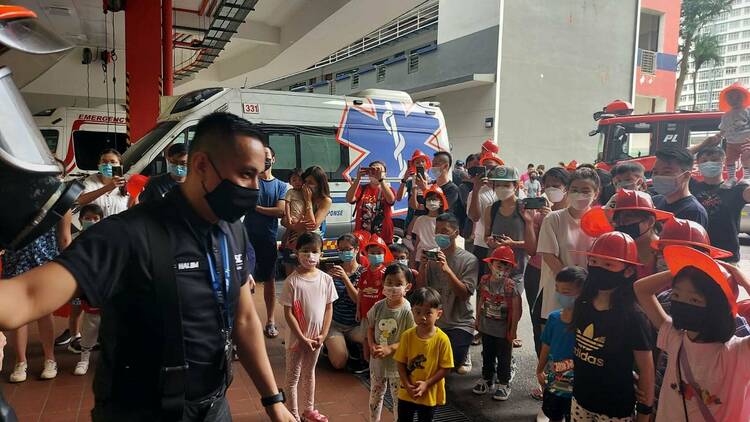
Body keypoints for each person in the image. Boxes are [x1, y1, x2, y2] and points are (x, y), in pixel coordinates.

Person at [0, 112, 295, 421]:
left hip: (213, 408)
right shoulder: (126, 235)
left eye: (258, 175)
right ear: (202, 165)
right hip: (141, 413)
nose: (254, 187)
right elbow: (27, 296)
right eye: (246, 174)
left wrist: (273, 399)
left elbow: (244, 318)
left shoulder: (231, 231)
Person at [634, 245, 750, 421]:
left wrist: (743, 281)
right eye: (677, 295)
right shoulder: (675, 338)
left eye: (694, 299)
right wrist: (685, 268)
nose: (681, 304)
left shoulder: (737, 352)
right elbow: (641, 289)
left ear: (716, 307)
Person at [570, 232, 654, 422]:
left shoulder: (634, 316)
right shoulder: (582, 303)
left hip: (614, 407)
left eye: (608, 264)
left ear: (628, 271)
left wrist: (644, 413)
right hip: (580, 399)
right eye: (594, 261)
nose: (599, 269)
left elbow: (646, 369)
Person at [534, 168, 599, 401]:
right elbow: (549, 256)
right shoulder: (554, 218)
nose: (579, 194)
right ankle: (550, 397)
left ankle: (578, 400)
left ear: (596, 193)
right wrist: (574, 286)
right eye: (574, 189)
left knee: (584, 346)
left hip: (590, 295)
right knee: (555, 346)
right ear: (567, 191)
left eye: (585, 190)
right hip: (560, 293)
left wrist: (587, 290)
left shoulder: (601, 222)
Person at [2, 209, 72, 382]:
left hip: (45, 259)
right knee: (19, 312)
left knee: (45, 311)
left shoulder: (60, 198)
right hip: (17, 258)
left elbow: (64, 237)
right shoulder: (16, 196)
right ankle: (20, 361)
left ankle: (50, 358)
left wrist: (70, 265)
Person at [280, 232, 337, 422]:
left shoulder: (326, 280)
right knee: (293, 377)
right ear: (297, 253)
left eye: (314, 251)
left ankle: (309, 410)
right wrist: (301, 338)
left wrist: (323, 334)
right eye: (305, 251)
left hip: (316, 339)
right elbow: (288, 313)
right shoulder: (292, 282)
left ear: (321, 253)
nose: (310, 255)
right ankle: (293, 414)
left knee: (309, 373)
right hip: (297, 340)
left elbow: (329, 309)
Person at [417, 213, 478, 374]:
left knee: (450, 364)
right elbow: (422, 291)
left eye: (445, 230)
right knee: (422, 361)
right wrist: (422, 267)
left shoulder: (469, 260)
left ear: (456, 233)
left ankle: (464, 352)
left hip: (460, 322)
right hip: (435, 321)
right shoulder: (432, 258)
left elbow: (464, 295)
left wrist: (448, 271)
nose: (440, 235)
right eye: (437, 230)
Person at [243, 145, 287, 339]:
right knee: (245, 281)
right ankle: (247, 322)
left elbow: (280, 211)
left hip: (268, 239)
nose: (264, 159)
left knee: (269, 280)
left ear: (274, 159)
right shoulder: (250, 182)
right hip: (246, 239)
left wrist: (256, 207)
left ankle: (270, 321)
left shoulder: (281, 186)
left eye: (267, 156)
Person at [582, 189, 673, 279]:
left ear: (650, 222)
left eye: (628, 218)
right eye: (617, 220)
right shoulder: (615, 252)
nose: (621, 224)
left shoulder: (668, 253)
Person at [394, 287, 454, 422]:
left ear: (439, 314)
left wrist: (427, 384)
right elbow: (400, 362)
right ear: (412, 312)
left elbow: (446, 368)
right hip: (406, 390)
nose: (423, 317)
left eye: (428, 313)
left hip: (429, 392)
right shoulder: (407, 336)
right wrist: (406, 384)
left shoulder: (442, 339)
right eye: (418, 312)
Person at [527, 167, 569, 356]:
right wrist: (531, 222)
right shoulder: (539, 215)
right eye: (548, 186)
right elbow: (532, 249)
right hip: (536, 272)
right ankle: (542, 369)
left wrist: (552, 217)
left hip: (564, 276)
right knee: (540, 321)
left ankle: (563, 374)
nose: (551, 189)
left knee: (564, 321)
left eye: (556, 186)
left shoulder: (572, 215)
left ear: (566, 188)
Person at [366, 263, 415, 422]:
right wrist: (372, 345)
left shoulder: (408, 310)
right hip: (378, 363)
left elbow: (410, 338)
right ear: (383, 283)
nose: (393, 287)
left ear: (407, 287)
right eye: (389, 283)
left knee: (398, 399)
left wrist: (390, 348)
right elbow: (371, 328)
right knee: (375, 395)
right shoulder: (378, 307)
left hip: (398, 366)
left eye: (398, 284)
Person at [471, 246, 522, 401]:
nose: (502, 270)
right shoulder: (484, 280)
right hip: (487, 327)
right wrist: (478, 320)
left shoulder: (510, 286)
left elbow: (516, 309)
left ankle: (504, 382)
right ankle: (487, 378)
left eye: (506, 267)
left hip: (503, 330)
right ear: (490, 265)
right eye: (499, 266)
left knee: (504, 356)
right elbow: (480, 299)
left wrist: (513, 330)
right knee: (487, 353)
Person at [536, 266, 586, 422]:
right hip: (554, 384)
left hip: (578, 390)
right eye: (557, 290)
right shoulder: (553, 319)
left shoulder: (587, 324)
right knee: (553, 416)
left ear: (582, 293)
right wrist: (539, 370)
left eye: (566, 292)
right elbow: (546, 345)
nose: (559, 295)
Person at [692, 145, 750, 263]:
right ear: (697, 164)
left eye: (714, 160)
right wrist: (707, 142)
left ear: (723, 162)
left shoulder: (736, 189)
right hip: (696, 254)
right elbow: (680, 157)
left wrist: (747, 166)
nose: (709, 163)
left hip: (727, 256)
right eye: (704, 161)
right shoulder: (692, 187)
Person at [71, 205, 107, 376]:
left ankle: (109, 360)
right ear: (80, 220)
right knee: (91, 324)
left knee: (110, 326)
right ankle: (84, 358)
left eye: (95, 218)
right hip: (87, 289)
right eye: (88, 218)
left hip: (107, 289)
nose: (91, 221)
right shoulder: (77, 240)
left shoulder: (109, 239)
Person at [324, 234, 367, 373]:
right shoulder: (333, 271)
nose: (344, 253)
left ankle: (350, 345)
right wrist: (326, 280)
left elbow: (357, 300)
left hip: (355, 325)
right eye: (341, 250)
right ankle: (332, 346)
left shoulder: (364, 273)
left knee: (373, 343)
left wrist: (345, 279)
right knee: (339, 362)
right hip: (335, 324)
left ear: (356, 249)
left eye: (348, 249)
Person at [651, 146, 708, 226]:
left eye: (667, 172)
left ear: (686, 176)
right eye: (655, 172)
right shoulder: (655, 201)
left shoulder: (694, 211)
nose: (659, 177)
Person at [358, 235, 393, 361]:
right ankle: (366, 362)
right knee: (366, 338)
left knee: (378, 338)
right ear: (366, 254)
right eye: (372, 253)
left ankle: (376, 362)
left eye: (379, 253)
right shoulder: (363, 273)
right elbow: (360, 293)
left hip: (380, 315)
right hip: (365, 314)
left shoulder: (386, 274)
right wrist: (358, 310)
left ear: (384, 254)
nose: (375, 255)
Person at [347, 161, 396, 243]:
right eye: (372, 170)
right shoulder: (362, 188)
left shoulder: (388, 189)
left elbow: (391, 200)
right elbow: (349, 199)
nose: (375, 173)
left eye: (379, 170)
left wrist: (381, 180)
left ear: (385, 173)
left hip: (383, 236)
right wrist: (358, 179)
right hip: (362, 236)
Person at [466, 158, 499, 278]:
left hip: (503, 244)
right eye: (485, 168)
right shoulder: (475, 192)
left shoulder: (506, 190)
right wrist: (476, 189)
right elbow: (474, 217)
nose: (488, 171)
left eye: (492, 168)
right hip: (482, 245)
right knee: (482, 284)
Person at [77, 148, 130, 216]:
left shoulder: (126, 184)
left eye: (113, 162)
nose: (108, 165)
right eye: (104, 162)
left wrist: (135, 194)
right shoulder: (90, 181)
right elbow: (81, 201)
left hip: (119, 225)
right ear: (99, 166)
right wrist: (107, 187)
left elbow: (133, 209)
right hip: (97, 226)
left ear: (120, 166)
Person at [718, 83, 750, 187]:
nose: (734, 99)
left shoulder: (748, 111)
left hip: (746, 141)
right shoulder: (726, 115)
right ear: (726, 100)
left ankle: (747, 177)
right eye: (730, 97)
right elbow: (723, 129)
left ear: (744, 98)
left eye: (737, 97)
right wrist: (719, 136)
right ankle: (731, 177)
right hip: (731, 142)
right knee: (729, 159)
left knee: (746, 158)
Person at [397, 150, 433, 234]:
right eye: (417, 162)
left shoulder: (432, 182)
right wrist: (404, 179)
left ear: (427, 164)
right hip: (411, 221)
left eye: (422, 161)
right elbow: (398, 198)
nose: (420, 164)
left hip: (427, 224)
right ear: (413, 165)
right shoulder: (410, 182)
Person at [411, 185, 449, 265]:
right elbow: (417, 241)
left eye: (434, 199)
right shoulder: (420, 219)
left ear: (441, 202)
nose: (431, 202)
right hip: (421, 258)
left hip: (438, 258)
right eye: (429, 199)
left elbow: (447, 243)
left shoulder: (445, 220)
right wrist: (413, 260)